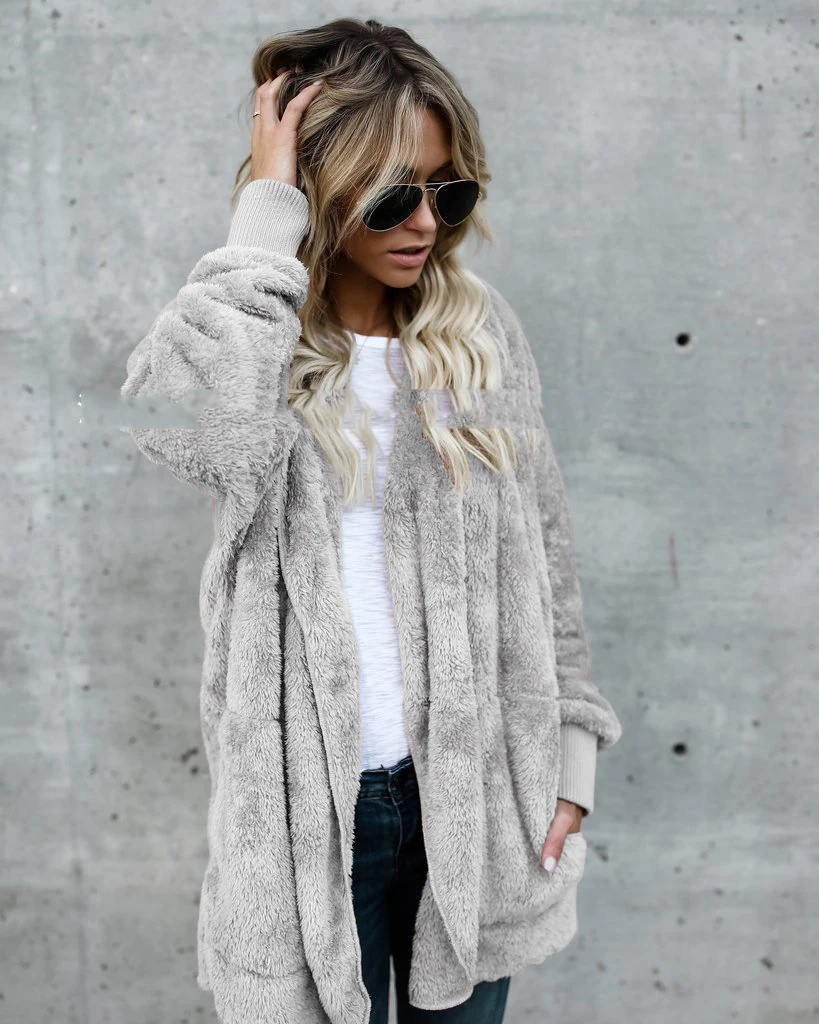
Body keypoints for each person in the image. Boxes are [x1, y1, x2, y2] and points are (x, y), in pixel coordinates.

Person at [120, 17, 623, 1024]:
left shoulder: (477, 335)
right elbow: (210, 440)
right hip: (312, 817)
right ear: (322, 189)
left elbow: (545, 559)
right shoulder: (257, 344)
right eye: (394, 195)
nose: (426, 222)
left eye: (449, 190)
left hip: (475, 800)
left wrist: (569, 759)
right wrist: (266, 220)